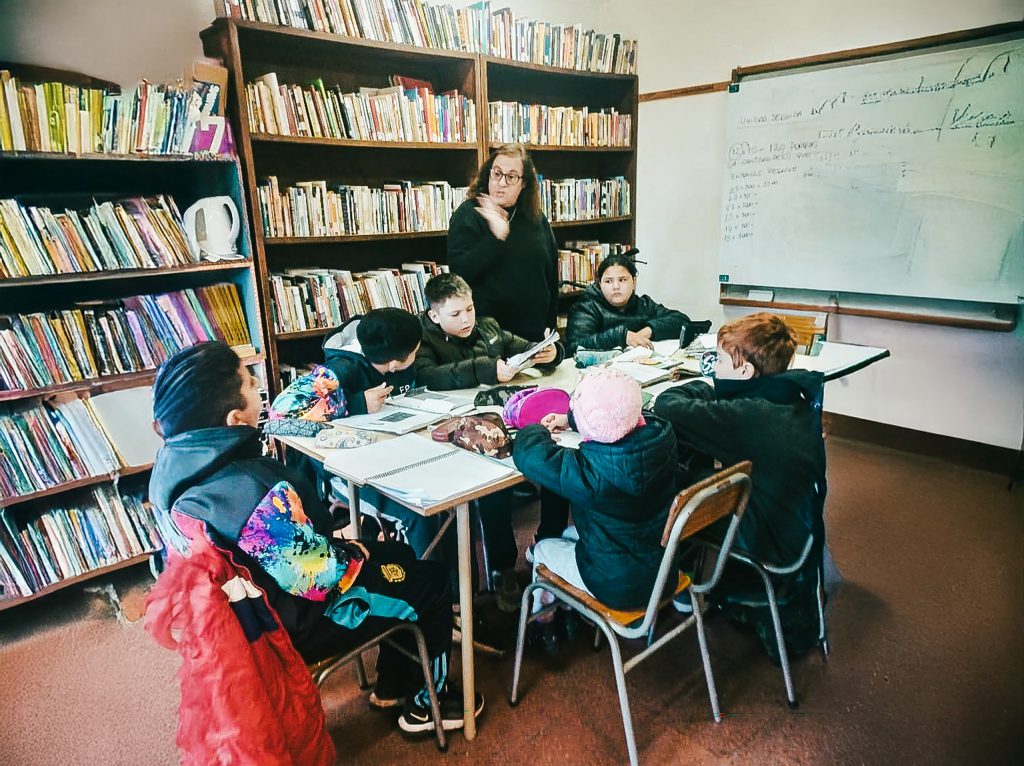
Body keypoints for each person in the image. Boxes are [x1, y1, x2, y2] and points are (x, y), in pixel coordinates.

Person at [148, 341, 482, 734]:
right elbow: (320, 578)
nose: (259, 386)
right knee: (432, 580)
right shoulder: (251, 495)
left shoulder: (171, 471)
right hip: (299, 618)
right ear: (235, 419)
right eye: (250, 383)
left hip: (253, 610)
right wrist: (356, 550)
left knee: (399, 555)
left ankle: (394, 682)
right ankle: (429, 704)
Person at [652, 312, 826, 661]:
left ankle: (674, 580)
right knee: (698, 470)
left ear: (745, 371)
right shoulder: (794, 397)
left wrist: (706, 387)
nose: (713, 368)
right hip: (799, 526)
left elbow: (667, 405)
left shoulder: (749, 416)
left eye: (719, 361)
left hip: (771, 538)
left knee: (670, 494)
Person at [414, 272, 563, 611]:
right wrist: (486, 368)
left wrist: (550, 353)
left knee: (557, 457)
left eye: (469, 309)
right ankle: (502, 568)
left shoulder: (489, 327)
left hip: (505, 419)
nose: (466, 319)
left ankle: (549, 544)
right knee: (494, 489)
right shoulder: (422, 340)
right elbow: (428, 376)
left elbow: (524, 348)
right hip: (460, 437)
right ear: (434, 315)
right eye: (455, 314)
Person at [511, 366, 679, 651]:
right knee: (567, 534)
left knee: (543, 549)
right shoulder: (663, 438)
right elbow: (622, 415)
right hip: (664, 569)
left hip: (614, 585)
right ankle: (570, 609)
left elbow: (529, 455)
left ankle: (544, 621)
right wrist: (571, 420)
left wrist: (535, 428)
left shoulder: (590, 472)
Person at [447, 143, 558, 343]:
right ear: (488, 174)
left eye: (511, 177)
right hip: (489, 337)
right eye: (497, 173)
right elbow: (460, 274)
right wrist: (495, 238)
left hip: (534, 334)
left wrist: (550, 333)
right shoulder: (468, 214)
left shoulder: (535, 218)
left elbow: (550, 277)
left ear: (523, 183)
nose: (501, 183)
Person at [566, 253, 693, 354]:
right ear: (600, 284)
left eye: (622, 280)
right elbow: (573, 347)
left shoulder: (643, 304)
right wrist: (622, 336)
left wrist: (649, 330)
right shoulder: (586, 308)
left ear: (634, 282)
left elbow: (682, 321)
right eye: (608, 281)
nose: (616, 286)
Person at [322, 307, 422, 414]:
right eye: (414, 352)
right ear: (393, 365)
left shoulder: (400, 360)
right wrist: (359, 403)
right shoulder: (340, 368)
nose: (418, 353)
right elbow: (311, 405)